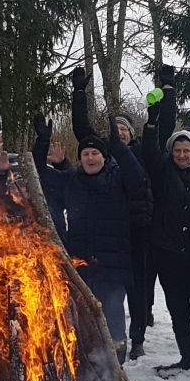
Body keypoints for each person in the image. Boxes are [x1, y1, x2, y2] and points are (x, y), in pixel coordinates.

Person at [34, 112, 147, 360]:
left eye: (95, 153)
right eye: (85, 154)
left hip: (112, 268)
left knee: (113, 323)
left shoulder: (118, 180)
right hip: (81, 267)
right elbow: (39, 175)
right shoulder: (71, 180)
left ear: (104, 157)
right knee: (83, 322)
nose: (90, 157)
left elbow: (138, 178)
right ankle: (88, 367)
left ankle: (116, 370)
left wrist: (117, 145)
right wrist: (42, 142)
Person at [70, 67, 154, 358]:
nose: (119, 135)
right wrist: (79, 93)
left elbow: (139, 178)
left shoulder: (133, 159)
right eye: (114, 131)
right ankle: (93, 353)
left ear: (130, 135)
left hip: (135, 234)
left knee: (132, 295)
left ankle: (134, 340)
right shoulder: (98, 162)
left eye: (123, 131)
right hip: (102, 242)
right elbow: (83, 132)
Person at [141, 66, 190, 372]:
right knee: (177, 309)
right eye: (178, 150)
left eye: (187, 150)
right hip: (169, 253)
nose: (182, 154)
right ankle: (187, 356)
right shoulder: (163, 172)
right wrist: (152, 123)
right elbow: (151, 150)